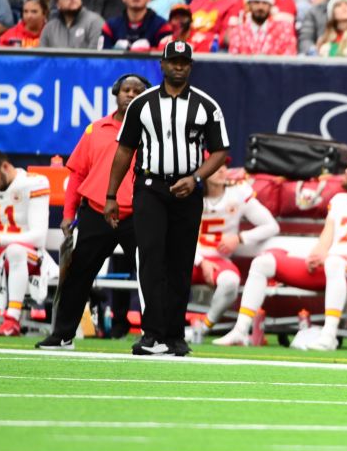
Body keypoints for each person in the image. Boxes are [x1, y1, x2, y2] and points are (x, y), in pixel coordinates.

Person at [104, 41, 229, 357]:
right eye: (172, 61)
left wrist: (196, 178)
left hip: (188, 190)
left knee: (181, 262)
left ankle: (175, 335)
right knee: (151, 257)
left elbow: (220, 151)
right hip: (150, 187)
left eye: (184, 62)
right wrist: (111, 195)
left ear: (191, 66)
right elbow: (124, 150)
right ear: (161, 64)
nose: (178, 66)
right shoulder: (141, 104)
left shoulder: (206, 105)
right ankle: (152, 333)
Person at [216, 156, 347, 349]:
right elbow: (324, 241)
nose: (346, 171)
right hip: (327, 266)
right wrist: (316, 255)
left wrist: (329, 257)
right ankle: (240, 330)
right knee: (264, 262)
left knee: (334, 263)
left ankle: (329, 336)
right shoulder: (339, 200)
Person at [35, 75, 150, 349]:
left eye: (137, 91)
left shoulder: (151, 132)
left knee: (151, 275)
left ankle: (156, 336)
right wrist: (68, 213)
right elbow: (76, 175)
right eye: (126, 90)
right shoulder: (95, 129)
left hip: (136, 215)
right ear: (116, 93)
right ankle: (62, 335)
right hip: (96, 212)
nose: (130, 95)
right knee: (78, 275)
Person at [183, 164, 280, 342]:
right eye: (215, 166)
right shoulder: (189, 191)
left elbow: (271, 226)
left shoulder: (238, 192)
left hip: (219, 260)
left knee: (230, 281)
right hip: (188, 256)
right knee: (164, 272)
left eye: (224, 165)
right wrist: (200, 261)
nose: (221, 170)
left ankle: (203, 328)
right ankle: (165, 327)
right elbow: (178, 234)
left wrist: (240, 237)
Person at [0, 149, 51, 337]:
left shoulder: (34, 183)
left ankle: (12, 321)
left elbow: (39, 237)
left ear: (5, 167)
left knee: (15, 251)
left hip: (30, 257)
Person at [102, 0, 172, 50]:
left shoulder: (161, 26)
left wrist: (147, 51)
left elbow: (167, 57)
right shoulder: (110, 26)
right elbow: (102, 57)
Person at [224, 0, 298, 55]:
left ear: (271, 7)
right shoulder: (238, 31)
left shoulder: (283, 30)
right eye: (256, 2)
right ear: (248, 6)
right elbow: (234, 61)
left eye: (265, 3)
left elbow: (289, 58)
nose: (260, 7)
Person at [40, 0, 105, 49]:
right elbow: (42, 57)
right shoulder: (50, 28)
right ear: (57, 4)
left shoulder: (95, 22)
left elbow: (96, 56)